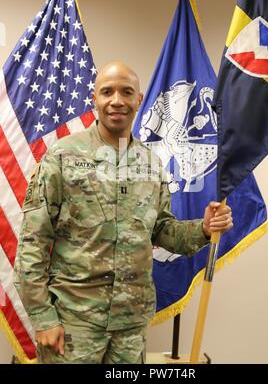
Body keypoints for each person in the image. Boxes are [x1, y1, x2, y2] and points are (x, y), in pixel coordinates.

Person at [13, 61, 233, 364]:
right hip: (74, 323)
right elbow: (32, 242)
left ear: (139, 100)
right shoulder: (62, 156)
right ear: (95, 99)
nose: (117, 100)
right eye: (107, 92)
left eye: (126, 92)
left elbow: (162, 231)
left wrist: (204, 229)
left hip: (131, 325)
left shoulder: (151, 164)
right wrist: (42, 317)